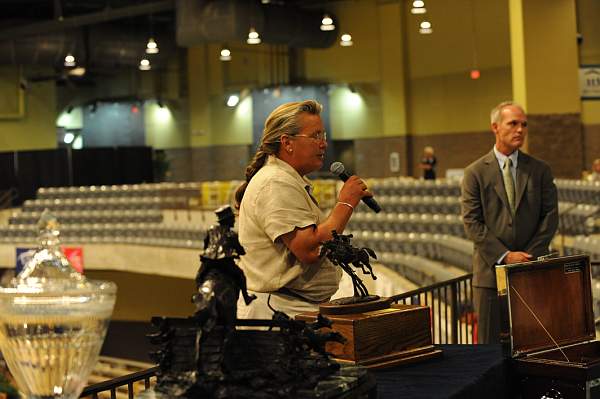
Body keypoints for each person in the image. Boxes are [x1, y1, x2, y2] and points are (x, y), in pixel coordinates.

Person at [234, 100, 371, 319]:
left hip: (291, 307)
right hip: (280, 310)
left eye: (323, 136)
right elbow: (308, 249)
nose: (323, 144)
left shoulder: (288, 178)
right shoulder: (276, 182)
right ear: (287, 142)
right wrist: (346, 203)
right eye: (315, 136)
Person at [461, 101, 558, 344]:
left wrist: (528, 256)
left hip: (531, 270)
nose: (520, 130)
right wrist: (505, 256)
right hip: (489, 276)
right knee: (489, 350)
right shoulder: (475, 173)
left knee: (533, 343)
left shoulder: (540, 170)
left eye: (524, 124)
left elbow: (550, 217)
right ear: (495, 127)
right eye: (513, 123)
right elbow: (472, 222)